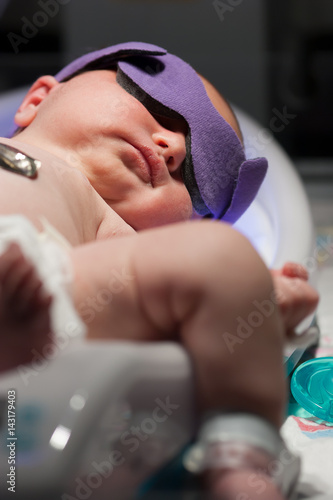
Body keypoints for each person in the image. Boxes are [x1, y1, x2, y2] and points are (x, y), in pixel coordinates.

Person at [0, 42, 318, 499]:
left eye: (192, 177)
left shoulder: (112, 234)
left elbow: (180, 290)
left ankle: (240, 448)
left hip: (41, 288)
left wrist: (252, 304)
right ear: (37, 99)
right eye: (153, 102)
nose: (172, 146)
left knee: (220, 256)